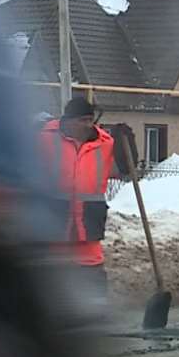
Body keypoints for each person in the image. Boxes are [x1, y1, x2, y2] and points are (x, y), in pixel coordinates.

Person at [38, 97, 135, 300]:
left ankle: (93, 317)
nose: (87, 125)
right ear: (68, 121)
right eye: (82, 120)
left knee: (92, 289)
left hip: (88, 227)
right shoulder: (45, 137)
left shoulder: (105, 143)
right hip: (55, 227)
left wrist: (128, 145)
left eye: (90, 120)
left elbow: (126, 169)